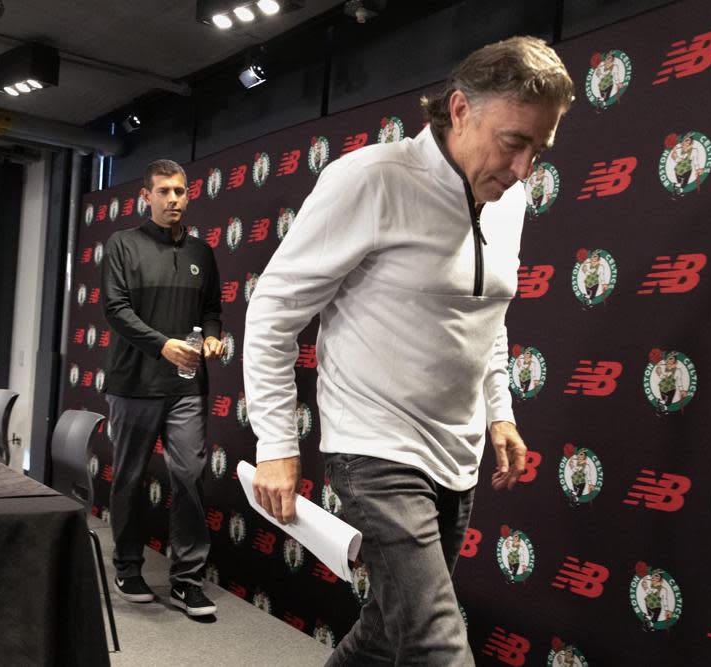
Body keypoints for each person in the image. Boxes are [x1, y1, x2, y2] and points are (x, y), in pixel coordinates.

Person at [243, 36, 572, 666]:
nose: (526, 167)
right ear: (459, 109)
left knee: (388, 632)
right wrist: (278, 445)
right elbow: (273, 312)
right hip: (374, 447)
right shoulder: (372, 180)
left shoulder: (511, 199)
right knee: (437, 647)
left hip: (455, 451)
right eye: (514, 142)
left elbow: (486, 312)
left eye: (539, 148)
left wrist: (498, 410)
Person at [101, 159, 224, 618]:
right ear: (146, 197)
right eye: (165, 192)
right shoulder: (122, 245)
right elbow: (115, 310)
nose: (174, 199)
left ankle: (187, 580)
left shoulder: (202, 252)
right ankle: (128, 568)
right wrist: (163, 346)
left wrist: (212, 334)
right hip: (132, 385)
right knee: (129, 478)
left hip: (186, 388)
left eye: (181, 191)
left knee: (189, 478)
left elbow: (212, 307)